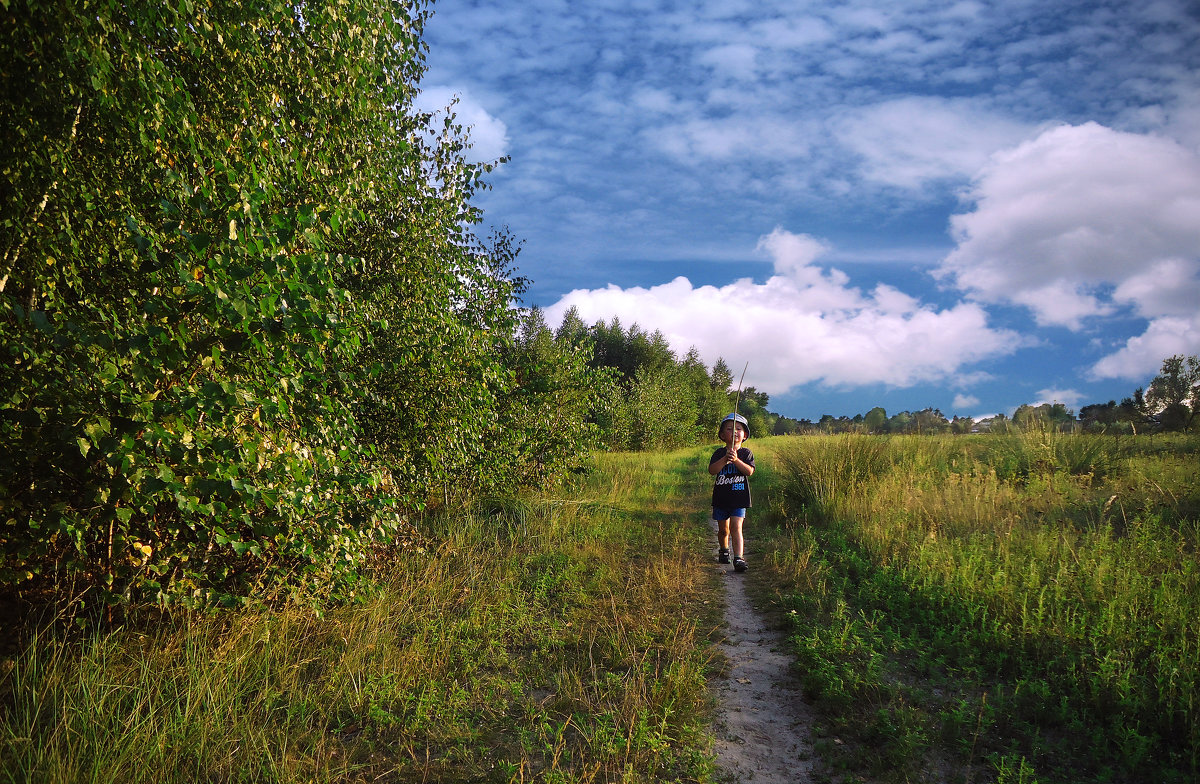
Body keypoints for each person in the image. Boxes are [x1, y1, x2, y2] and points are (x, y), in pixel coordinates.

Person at [709, 412, 755, 572]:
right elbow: (712, 471)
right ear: (722, 435)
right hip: (721, 499)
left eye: (739, 428)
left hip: (739, 499)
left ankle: (738, 558)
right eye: (729, 428)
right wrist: (724, 459)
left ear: (745, 435)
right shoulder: (718, 453)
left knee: (736, 527)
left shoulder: (746, 453)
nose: (734, 431)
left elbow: (749, 472)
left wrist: (736, 460)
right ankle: (724, 550)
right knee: (724, 530)